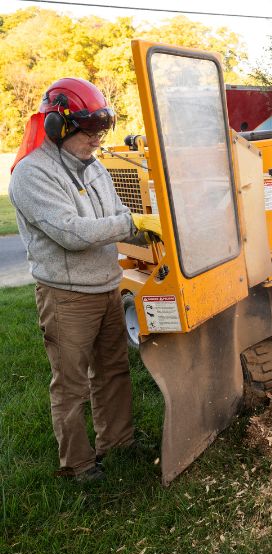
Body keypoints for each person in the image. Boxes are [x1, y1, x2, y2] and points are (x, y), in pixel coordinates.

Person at [9, 78, 149, 483]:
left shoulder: (95, 167)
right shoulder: (32, 175)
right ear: (58, 127)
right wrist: (130, 223)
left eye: (101, 128)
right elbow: (71, 233)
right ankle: (78, 464)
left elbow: (120, 213)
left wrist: (151, 229)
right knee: (71, 385)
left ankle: (118, 443)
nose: (97, 138)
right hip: (66, 295)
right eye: (89, 130)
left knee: (113, 371)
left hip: (106, 285)